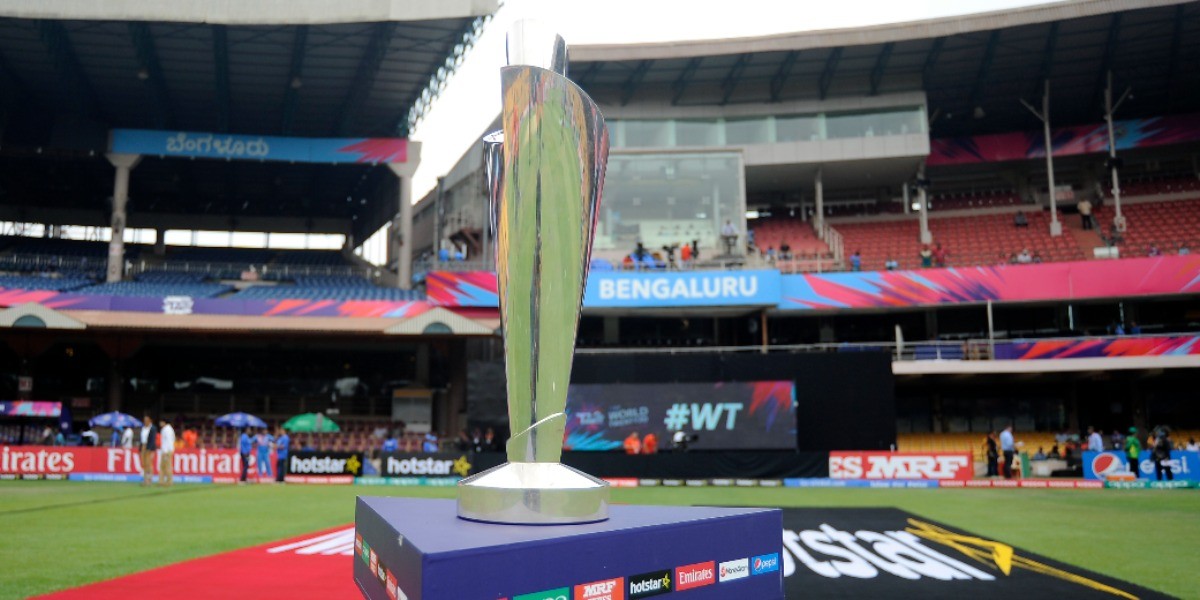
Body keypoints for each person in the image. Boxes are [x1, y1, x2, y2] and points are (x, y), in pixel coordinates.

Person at [139, 415, 159, 487]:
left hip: (149, 447)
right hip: (143, 446)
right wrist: (141, 449)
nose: (145, 421)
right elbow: (142, 439)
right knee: (144, 464)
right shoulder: (143, 428)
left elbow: (152, 440)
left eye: (146, 420)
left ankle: (149, 480)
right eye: (144, 420)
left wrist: (149, 449)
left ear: (150, 420)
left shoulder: (153, 428)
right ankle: (145, 479)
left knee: (149, 464)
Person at [158, 417, 175, 487]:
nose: (160, 423)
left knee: (167, 466)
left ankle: (169, 481)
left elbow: (168, 441)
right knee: (163, 466)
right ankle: (161, 482)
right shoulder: (167, 429)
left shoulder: (167, 430)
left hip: (166, 451)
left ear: (164, 422)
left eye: (161, 422)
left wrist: (166, 451)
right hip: (166, 450)